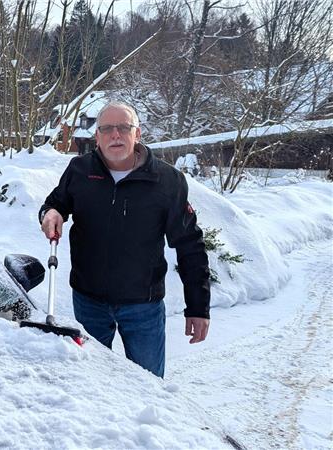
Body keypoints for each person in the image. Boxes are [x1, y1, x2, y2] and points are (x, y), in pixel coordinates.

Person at [39, 101, 210, 378]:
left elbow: (190, 244)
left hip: (143, 306)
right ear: (97, 137)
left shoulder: (167, 181)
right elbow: (54, 204)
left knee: (148, 386)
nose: (115, 135)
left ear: (137, 134)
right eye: (106, 129)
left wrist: (198, 307)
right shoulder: (80, 170)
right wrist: (51, 213)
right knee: (90, 382)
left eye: (123, 128)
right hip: (88, 301)